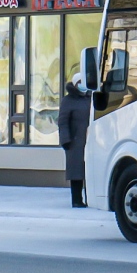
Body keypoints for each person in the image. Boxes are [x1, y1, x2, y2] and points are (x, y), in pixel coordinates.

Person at [58, 72, 91, 208]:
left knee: (89, 170)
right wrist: (66, 140)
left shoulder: (91, 98)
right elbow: (63, 121)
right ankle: (77, 200)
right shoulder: (68, 100)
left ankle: (91, 198)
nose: (82, 85)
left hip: (91, 140)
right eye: (80, 82)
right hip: (75, 142)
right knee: (76, 172)